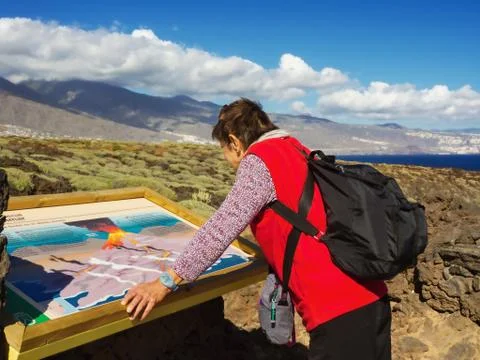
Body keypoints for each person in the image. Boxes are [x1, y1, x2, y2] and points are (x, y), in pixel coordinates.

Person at [122, 98, 392, 360]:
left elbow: (221, 229)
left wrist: (166, 282)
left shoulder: (259, 161)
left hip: (337, 308)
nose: (228, 161)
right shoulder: (295, 148)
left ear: (235, 142)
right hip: (369, 292)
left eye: (224, 150)